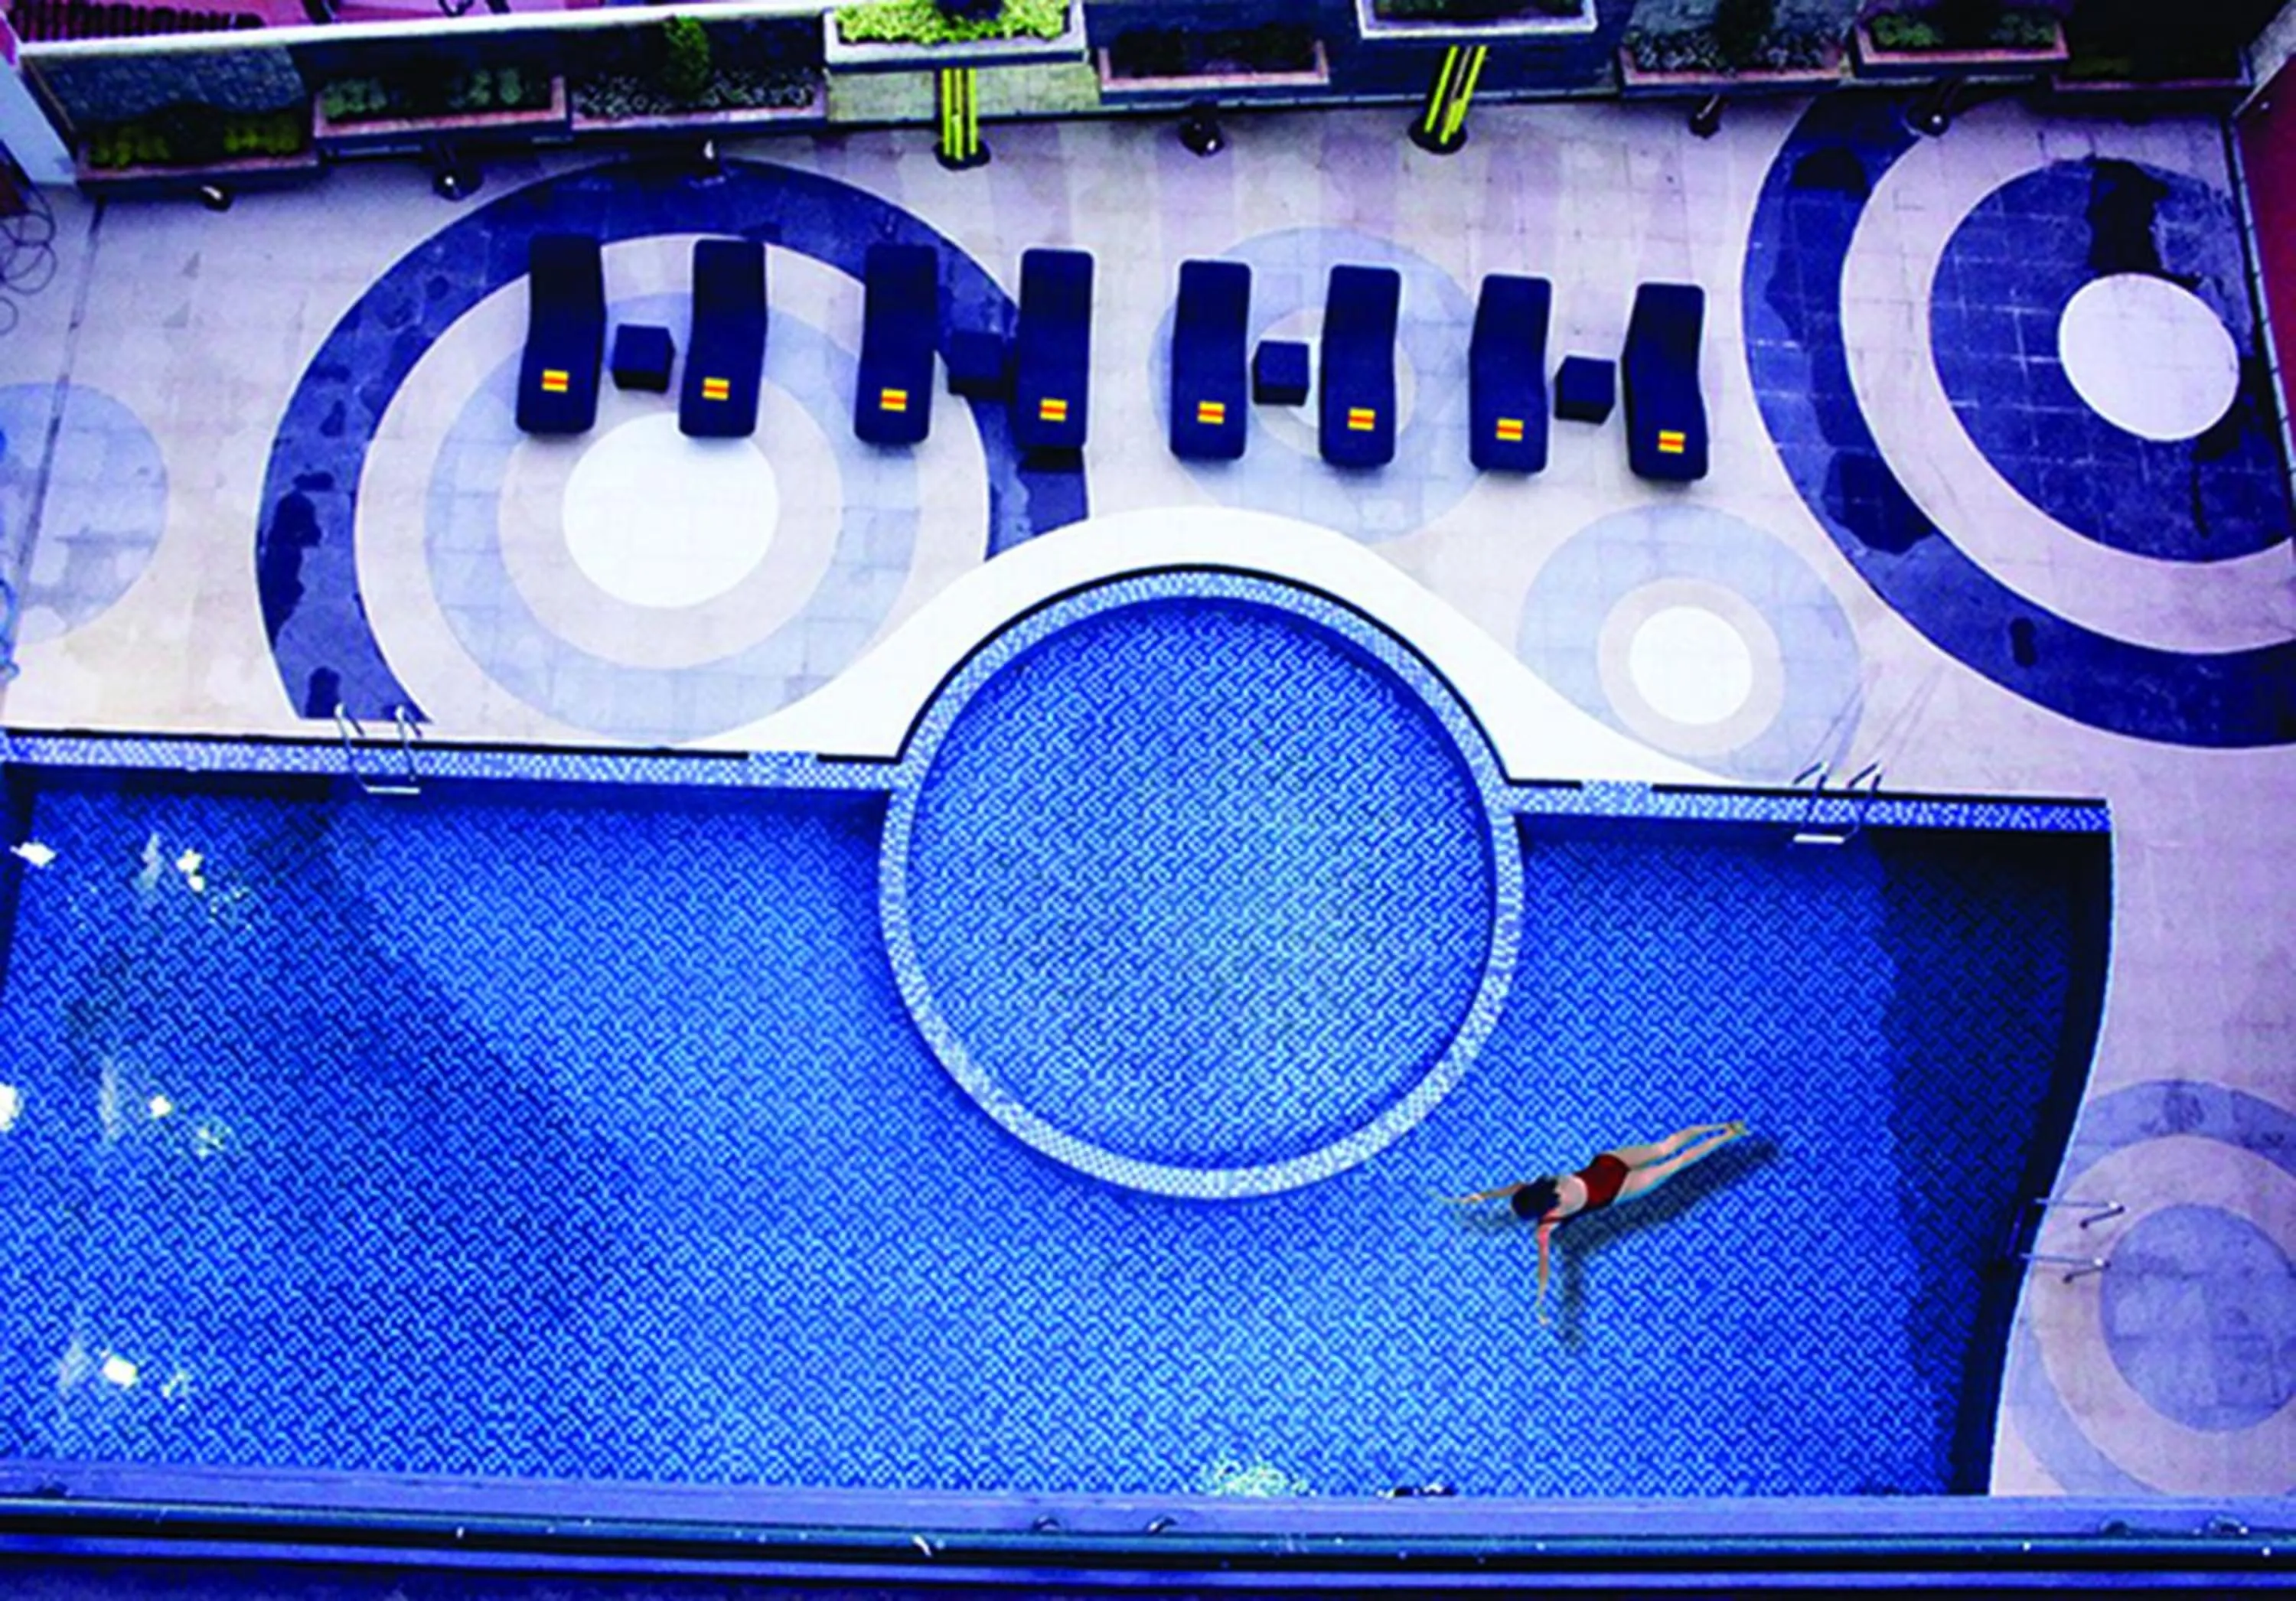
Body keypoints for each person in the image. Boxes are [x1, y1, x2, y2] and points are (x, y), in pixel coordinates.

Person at [1446, 1121, 1748, 1326]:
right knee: (1663, 1148)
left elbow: (1545, 1267)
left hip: (1617, 1190)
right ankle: (1720, 1127)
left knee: (1674, 1164)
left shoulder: (1548, 1224)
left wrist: (1539, 1302)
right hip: (1606, 1164)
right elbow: (1508, 1189)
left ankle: (1727, 1136)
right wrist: (1475, 1198)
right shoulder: (1542, 1183)